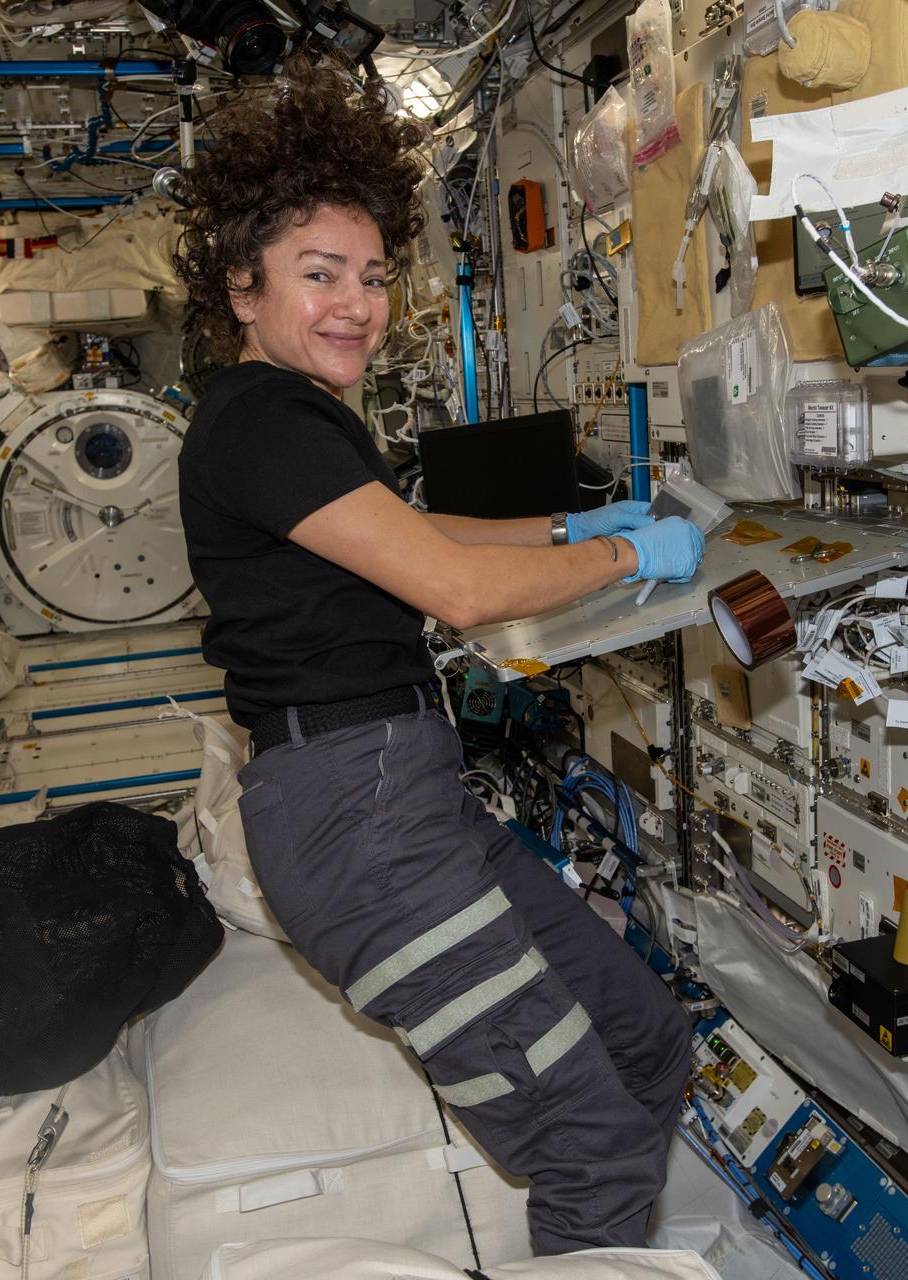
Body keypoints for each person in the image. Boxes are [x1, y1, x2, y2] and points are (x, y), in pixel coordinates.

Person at [172, 56, 706, 1255]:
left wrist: (576, 526)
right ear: (241, 285)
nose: (356, 302)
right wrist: (636, 562)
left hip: (396, 795)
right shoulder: (257, 417)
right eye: (319, 275)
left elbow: (417, 536)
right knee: (593, 1141)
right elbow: (455, 587)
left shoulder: (296, 414)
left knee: (646, 1042)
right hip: (354, 825)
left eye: (369, 275)